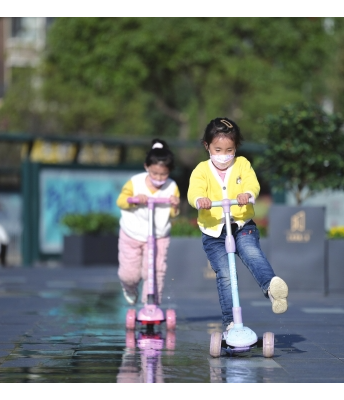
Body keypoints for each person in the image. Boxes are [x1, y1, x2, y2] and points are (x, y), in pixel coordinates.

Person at [187, 117, 289, 336]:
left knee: (253, 254)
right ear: (207, 146)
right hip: (214, 231)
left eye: (229, 149)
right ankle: (231, 323)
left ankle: (271, 289)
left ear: (236, 148)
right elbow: (193, 191)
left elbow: (253, 183)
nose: (224, 154)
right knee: (225, 274)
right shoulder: (201, 170)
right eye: (218, 149)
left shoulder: (242, 164)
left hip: (241, 225)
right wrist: (199, 200)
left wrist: (248, 194)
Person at [116, 139, 181, 306]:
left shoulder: (172, 186)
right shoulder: (135, 182)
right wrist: (135, 199)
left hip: (158, 236)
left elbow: (173, 214)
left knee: (155, 271)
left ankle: (150, 304)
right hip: (132, 234)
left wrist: (175, 205)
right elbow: (121, 201)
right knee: (129, 274)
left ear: (169, 171)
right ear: (146, 167)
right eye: (154, 174)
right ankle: (130, 287)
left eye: (163, 174)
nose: (159, 178)